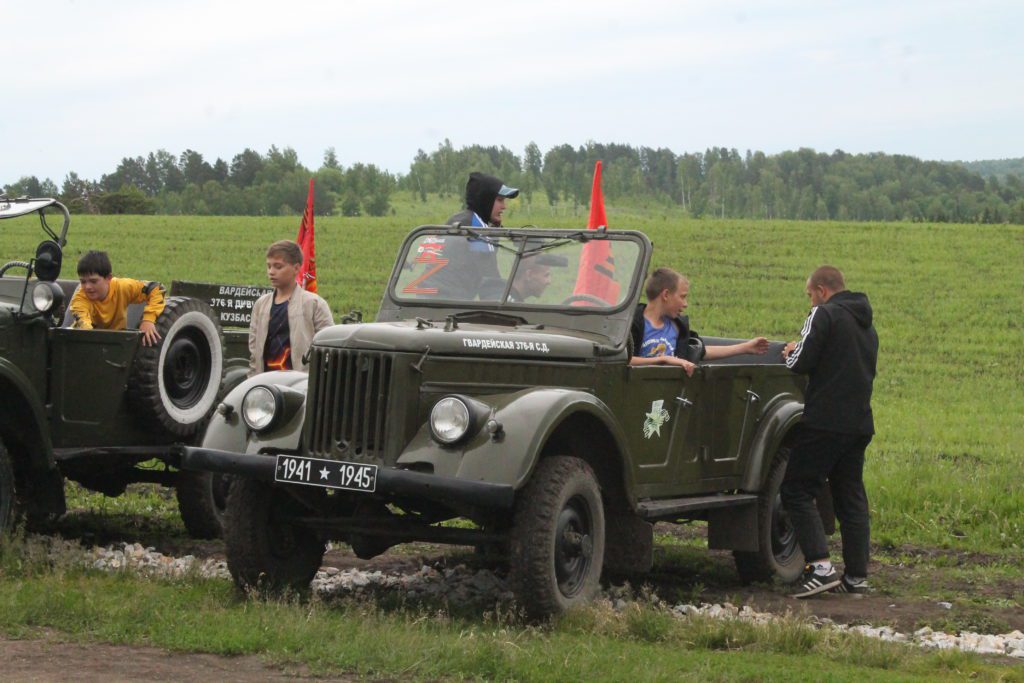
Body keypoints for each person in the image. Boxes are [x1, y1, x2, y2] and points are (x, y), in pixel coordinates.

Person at [781, 265, 878, 598]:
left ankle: (820, 568)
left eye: (810, 295)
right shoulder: (866, 324)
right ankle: (857, 577)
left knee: (795, 489)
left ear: (821, 290)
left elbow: (800, 363)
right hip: (859, 423)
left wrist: (789, 353)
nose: (810, 301)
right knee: (850, 497)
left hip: (824, 423)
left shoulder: (823, 315)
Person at [629, 268, 769, 375]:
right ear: (666, 295)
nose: (685, 304)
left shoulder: (678, 327)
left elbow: (700, 350)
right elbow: (620, 360)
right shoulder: (631, 324)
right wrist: (663, 360)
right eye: (682, 297)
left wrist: (744, 348)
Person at [248, 240, 334, 377]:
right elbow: (254, 351)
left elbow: (330, 347)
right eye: (269, 266)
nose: (271, 272)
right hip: (266, 384)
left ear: (296, 268)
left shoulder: (314, 304)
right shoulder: (261, 305)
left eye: (278, 267)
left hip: (301, 384)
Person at [427, 172, 520, 298]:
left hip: (428, 299)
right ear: (485, 200)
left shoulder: (460, 219)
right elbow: (490, 280)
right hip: (450, 303)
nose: (504, 206)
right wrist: (512, 300)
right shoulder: (477, 230)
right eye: (499, 200)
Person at [68, 250, 166, 346]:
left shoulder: (122, 287)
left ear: (108, 278)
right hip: (86, 343)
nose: (87, 287)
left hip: (118, 341)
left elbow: (156, 288)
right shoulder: (79, 301)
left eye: (93, 281)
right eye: (83, 282)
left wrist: (148, 320)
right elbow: (85, 331)